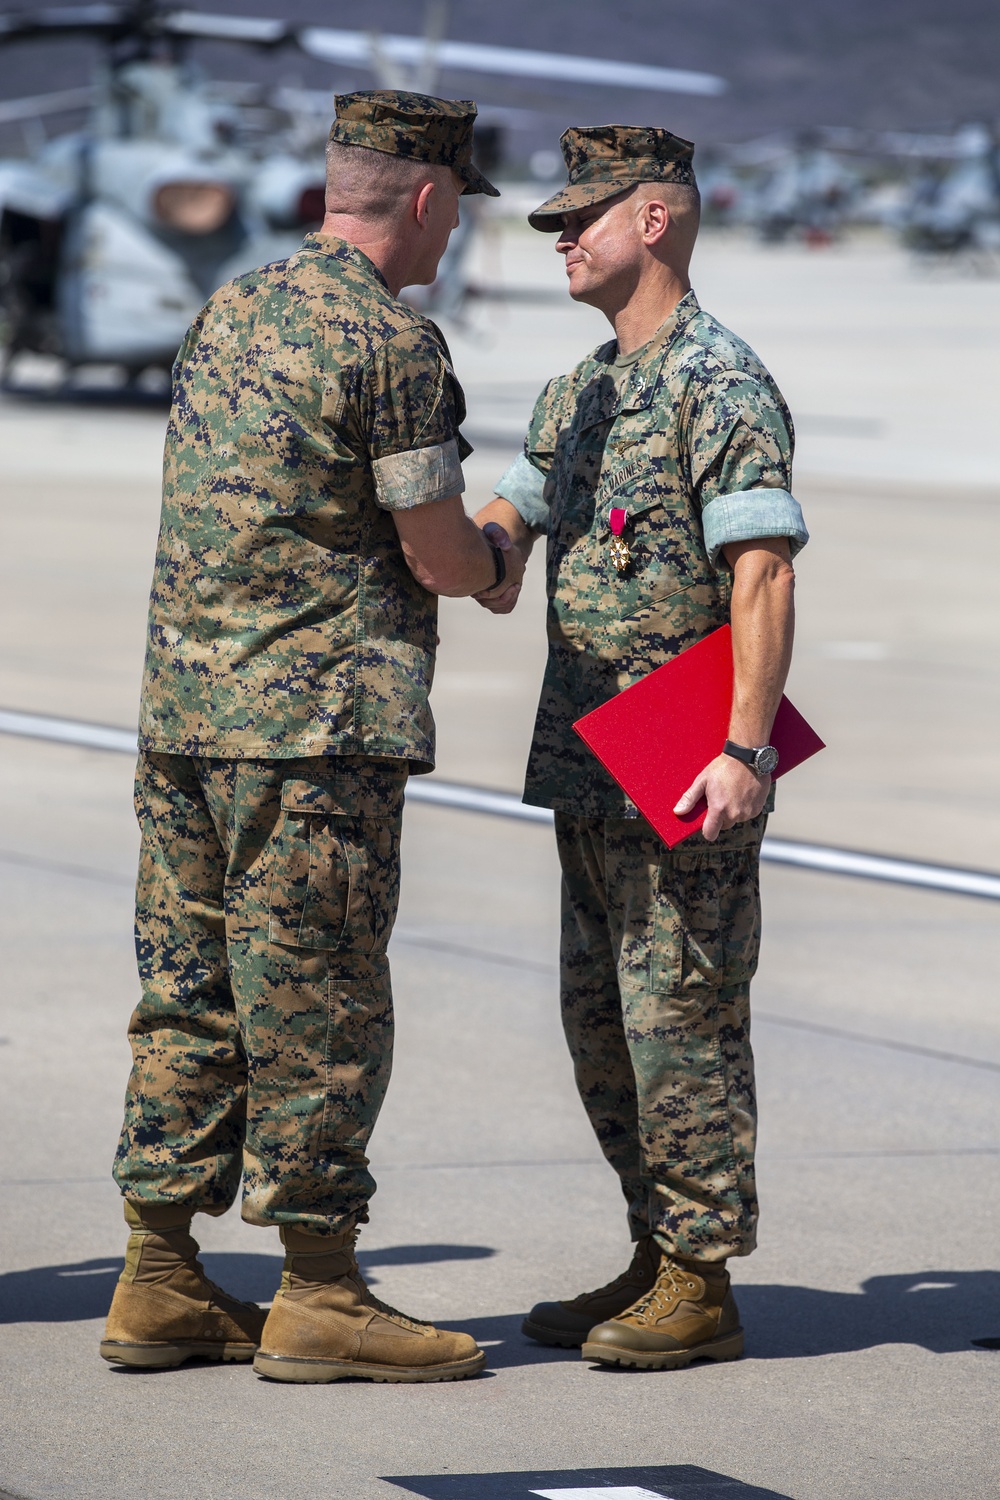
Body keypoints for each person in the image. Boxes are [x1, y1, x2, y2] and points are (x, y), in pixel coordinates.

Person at [100, 90, 520, 1385]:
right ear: (433, 199)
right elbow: (439, 553)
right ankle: (323, 1289)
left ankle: (158, 1275)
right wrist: (505, 548)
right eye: (459, 214)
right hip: (314, 733)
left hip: (186, 719)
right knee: (318, 1001)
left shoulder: (233, 308)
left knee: (190, 993)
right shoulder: (388, 343)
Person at [474, 125, 808, 1369]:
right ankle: (651, 1244)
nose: (562, 238)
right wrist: (479, 545)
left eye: (583, 218)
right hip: (588, 757)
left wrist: (743, 747)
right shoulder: (583, 385)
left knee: (683, 1021)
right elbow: (519, 503)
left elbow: (762, 573)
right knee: (601, 1022)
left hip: (682, 760)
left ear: (653, 222)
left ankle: (700, 1277)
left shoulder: (719, 383)